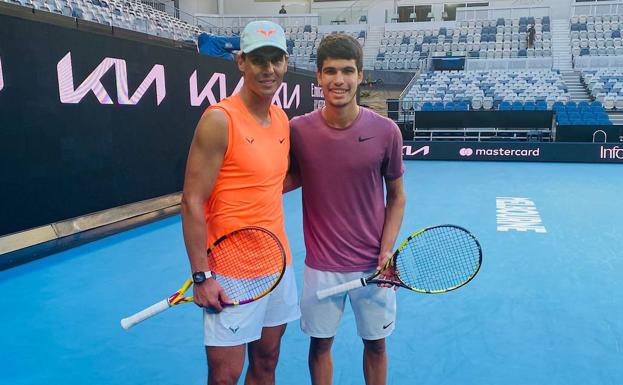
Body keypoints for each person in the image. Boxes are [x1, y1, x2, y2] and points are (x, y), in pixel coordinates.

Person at [181, 20, 299, 385]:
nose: (268, 69)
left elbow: (271, 183)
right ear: (241, 63)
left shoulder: (281, 119)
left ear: (285, 62)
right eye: (259, 59)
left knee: (267, 362)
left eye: (275, 59)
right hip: (230, 272)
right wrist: (202, 276)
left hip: (278, 266)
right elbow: (192, 201)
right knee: (225, 375)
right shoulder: (219, 120)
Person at [285, 33, 406, 385]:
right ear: (318, 77)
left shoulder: (386, 131)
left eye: (348, 71)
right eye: (331, 71)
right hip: (321, 266)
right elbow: (284, 179)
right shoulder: (298, 130)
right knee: (320, 345)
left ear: (361, 75)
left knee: (377, 346)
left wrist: (386, 249)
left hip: (373, 264)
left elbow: (396, 195)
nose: (339, 80)